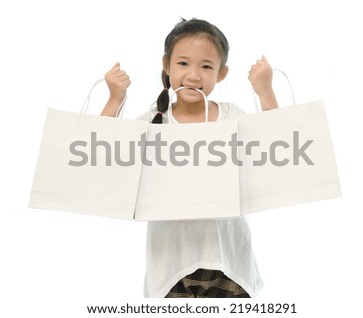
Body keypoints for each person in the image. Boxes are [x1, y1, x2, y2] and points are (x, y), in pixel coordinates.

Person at [101, 18, 278, 298]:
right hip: (170, 265)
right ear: (166, 65)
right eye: (183, 63)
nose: (194, 76)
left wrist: (265, 91)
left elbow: (278, 151)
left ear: (221, 73)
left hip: (228, 260)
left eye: (206, 66)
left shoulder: (232, 117)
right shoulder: (153, 122)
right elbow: (101, 156)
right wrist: (114, 99)